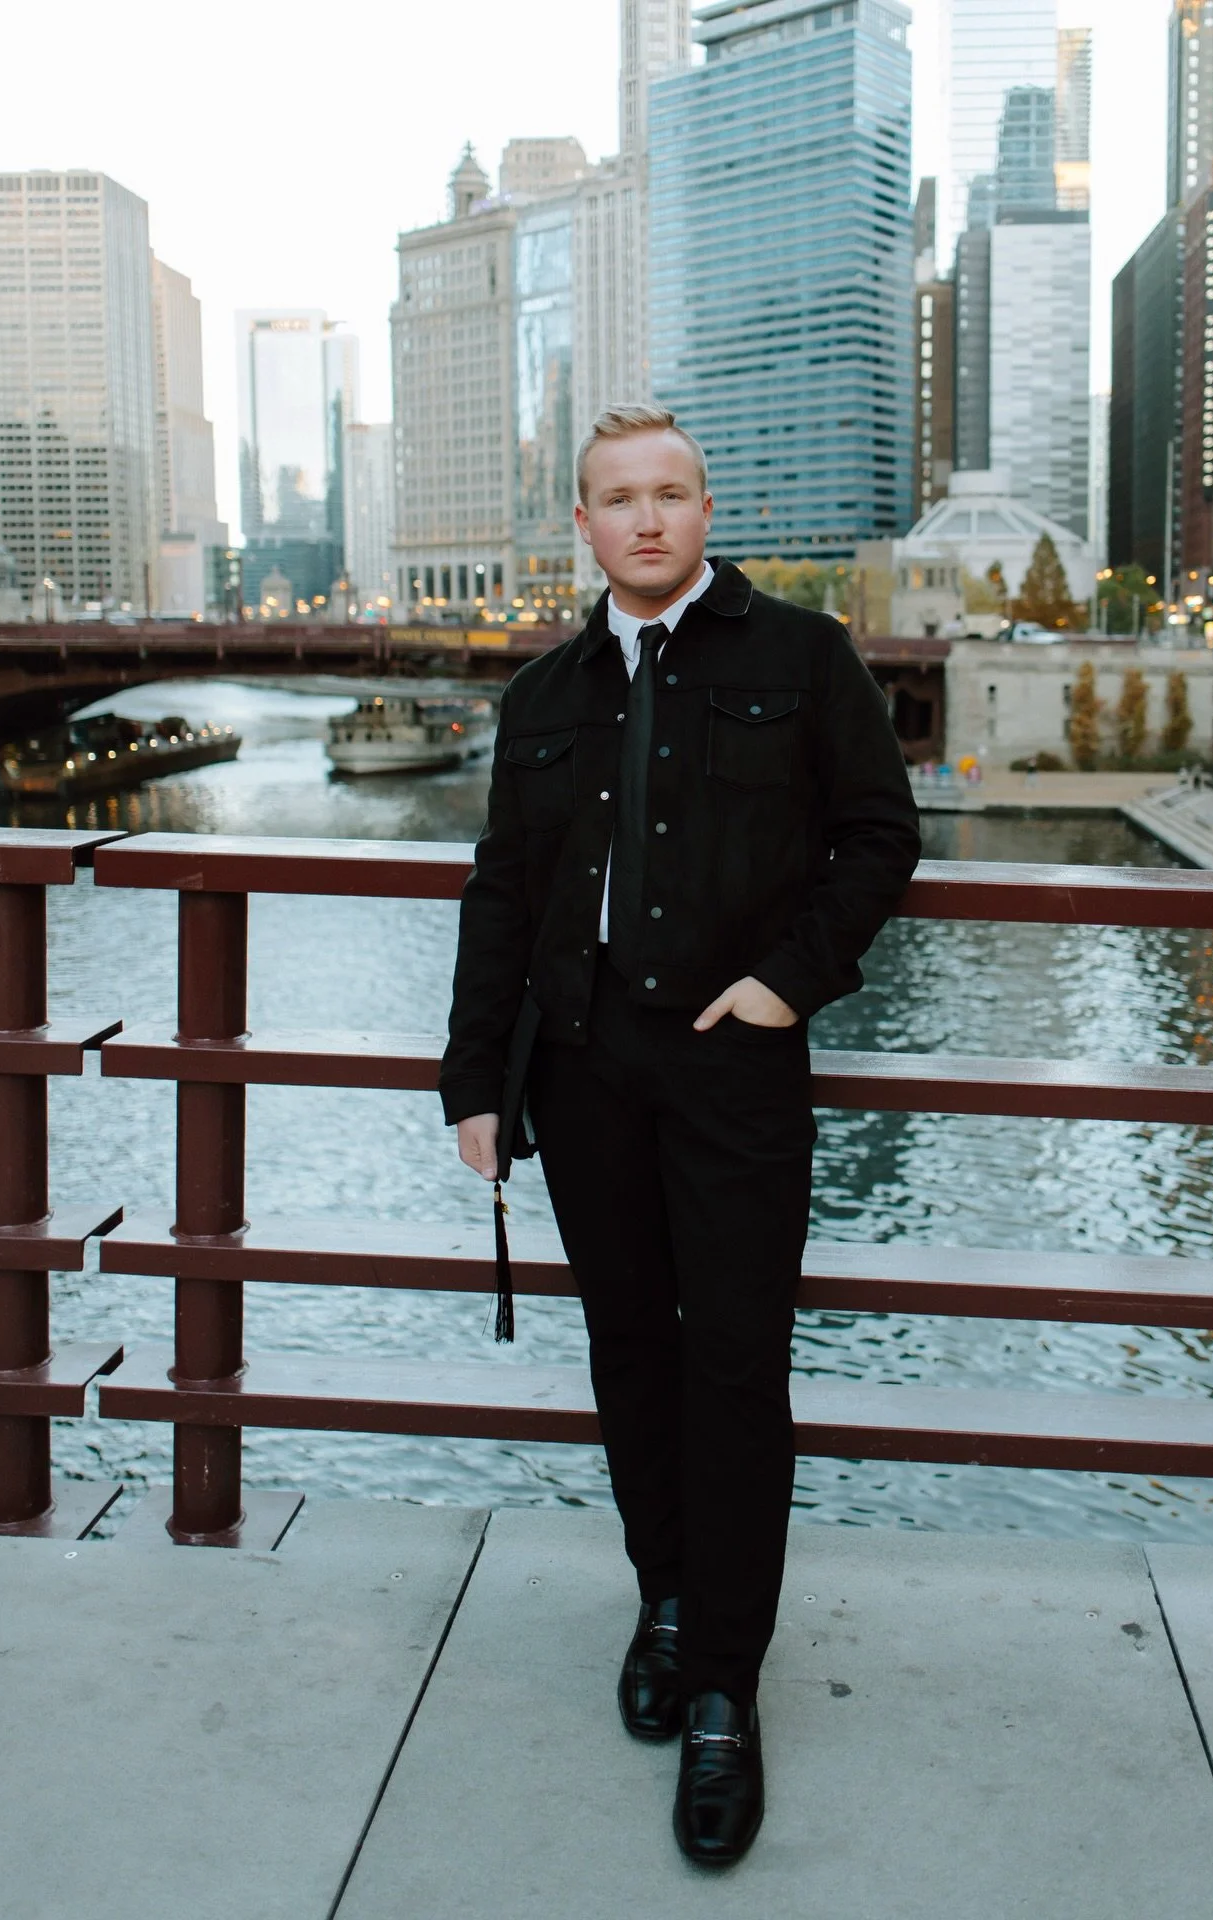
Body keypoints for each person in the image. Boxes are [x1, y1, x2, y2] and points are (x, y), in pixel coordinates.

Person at [439, 404, 922, 1866]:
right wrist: (474, 1082)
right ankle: (665, 1595)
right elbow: (503, 895)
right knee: (630, 1354)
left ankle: (723, 1682)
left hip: (731, 1068)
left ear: (708, 510)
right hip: (580, 1069)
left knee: (734, 1364)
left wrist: (789, 983)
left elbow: (878, 835)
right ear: (581, 526)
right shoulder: (543, 693)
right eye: (615, 501)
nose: (645, 521)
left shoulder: (805, 657)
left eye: (669, 495)